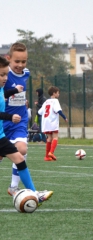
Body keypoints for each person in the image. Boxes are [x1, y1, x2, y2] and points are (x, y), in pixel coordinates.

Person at [0, 56, 53, 205]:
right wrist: (10, 117)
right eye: (2, 75)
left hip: (1, 137)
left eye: (5, 74)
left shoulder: (1, 89)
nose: (5, 78)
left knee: (20, 159)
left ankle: (35, 194)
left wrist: (14, 91)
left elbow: (3, 95)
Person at [3, 42, 31, 196]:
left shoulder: (26, 73)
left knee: (22, 149)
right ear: (9, 59)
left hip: (19, 120)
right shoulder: (4, 75)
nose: (20, 65)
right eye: (17, 61)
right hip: (3, 120)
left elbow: (21, 91)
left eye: (23, 61)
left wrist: (23, 100)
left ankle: (13, 187)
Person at [38, 86, 68, 161]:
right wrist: (64, 117)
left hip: (45, 122)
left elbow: (39, 112)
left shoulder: (46, 101)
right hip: (52, 121)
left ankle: (47, 157)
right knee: (55, 137)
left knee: (49, 138)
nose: (59, 94)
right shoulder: (55, 101)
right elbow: (58, 110)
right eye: (58, 93)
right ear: (54, 93)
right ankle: (51, 152)